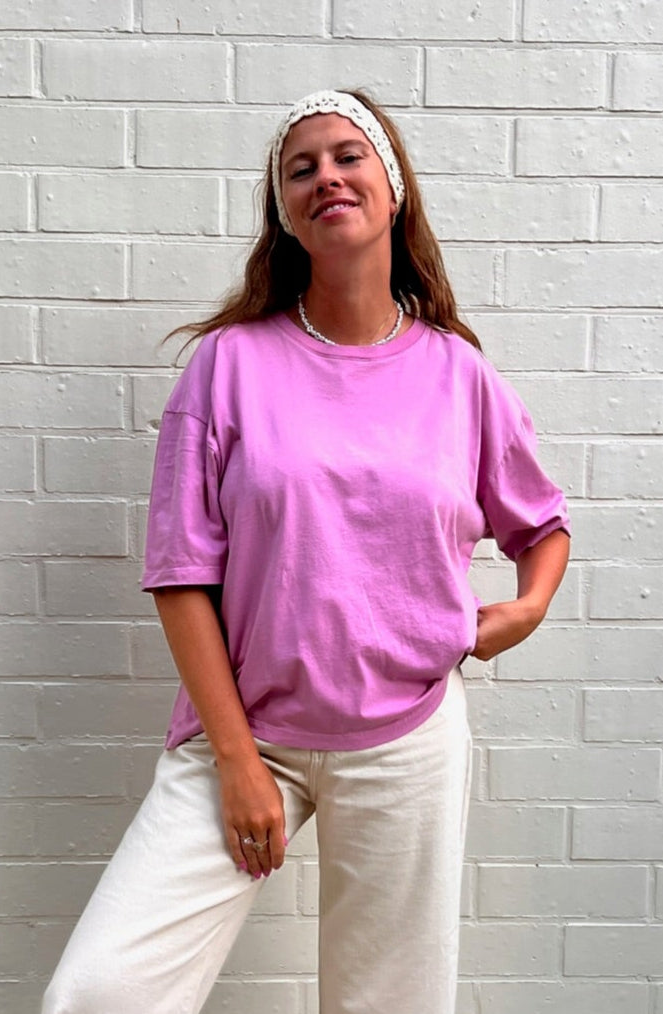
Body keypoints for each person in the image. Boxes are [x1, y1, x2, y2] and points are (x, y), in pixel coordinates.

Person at [42, 88, 570, 1014]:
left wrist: (524, 611)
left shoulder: (458, 374)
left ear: (393, 189)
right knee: (103, 991)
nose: (326, 176)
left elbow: (542, 524)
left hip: (408, 737)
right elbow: (180, 574)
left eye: (347, 156)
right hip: (251, 734)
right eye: (301, 168)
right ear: (286, 212)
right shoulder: (229, 364)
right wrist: (237, 762)